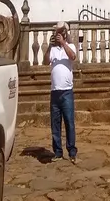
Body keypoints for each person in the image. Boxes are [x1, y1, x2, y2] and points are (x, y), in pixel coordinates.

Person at [42, 21, 78, 162]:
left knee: (69, 122)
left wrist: (63, 43)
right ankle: (57, 151)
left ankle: (72, 151)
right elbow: (46, 62)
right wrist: (49, 47)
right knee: (55, 124)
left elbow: (73, 56)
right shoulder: (52, 49)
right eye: (56, 32)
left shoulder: (70, 46)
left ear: (64, 33)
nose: (57, 34)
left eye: (60, 32)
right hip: (55, 91)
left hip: (67, 91)